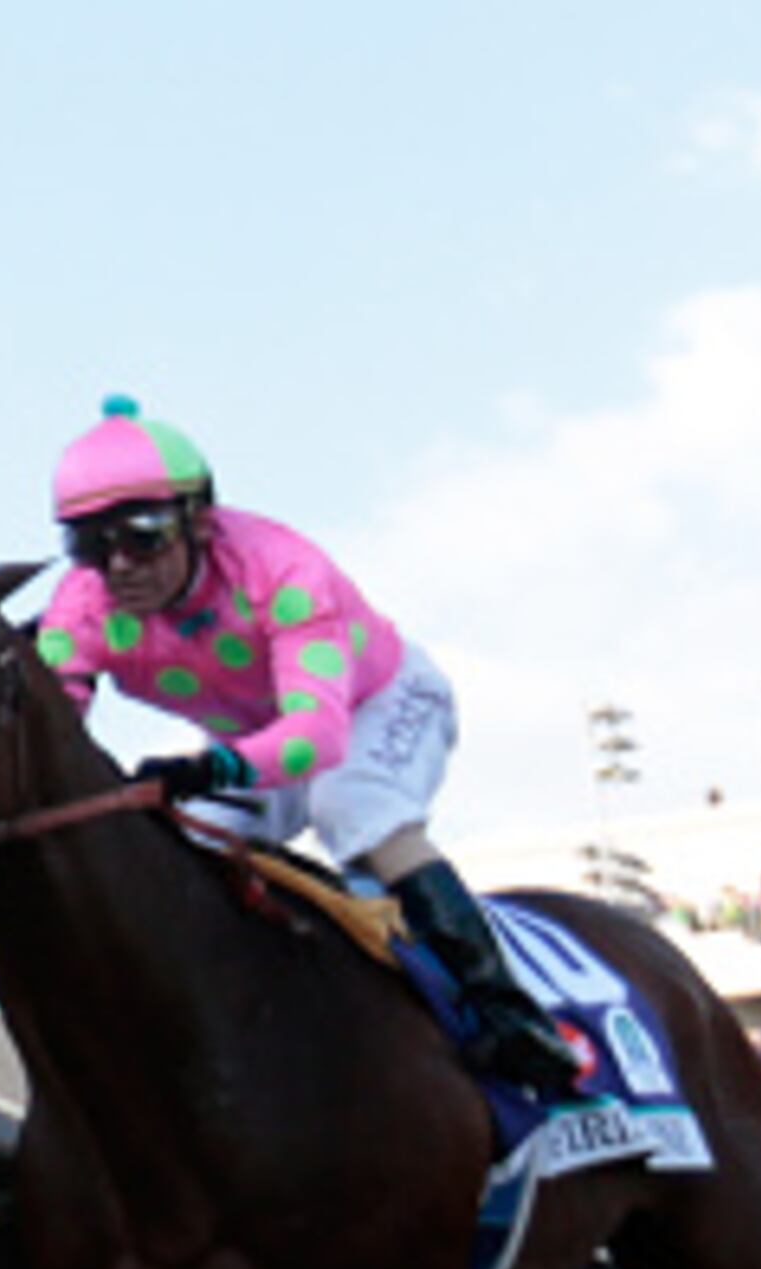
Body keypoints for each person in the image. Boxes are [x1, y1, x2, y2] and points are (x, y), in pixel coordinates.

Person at [33, 395, 583, 1096]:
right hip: (255, 738)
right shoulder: (80, 607)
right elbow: (54, 726)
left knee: (351, 802)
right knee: (182, 851)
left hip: (372, 704)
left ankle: (508, 1010)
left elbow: (319, 736)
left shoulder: (282, 572)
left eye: (142, 535)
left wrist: (216, 766)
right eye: (88, 544)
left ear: (199, 521)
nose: (118, 567)